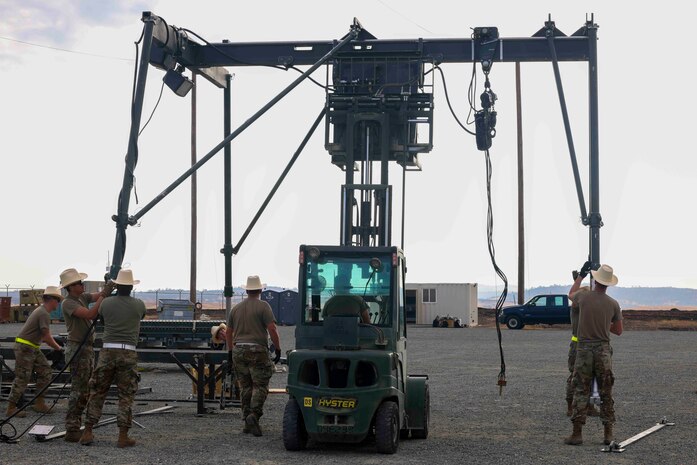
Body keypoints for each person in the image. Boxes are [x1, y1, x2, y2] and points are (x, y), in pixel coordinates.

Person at [80, 269, 146, 448]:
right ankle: (123, 436)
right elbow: (141, 316)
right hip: (128, 352)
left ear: (117, 285)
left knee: (98, 391)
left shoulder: (106, 303)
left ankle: (87, 431)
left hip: (107, 351)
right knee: (126, 395)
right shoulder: (139, 305)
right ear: (132, 287)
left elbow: (100, 318)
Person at [565, 263, 623, 446]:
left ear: (595, 279)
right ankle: (608, 434)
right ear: (608, 283)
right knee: (605, 391)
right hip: (603, 351)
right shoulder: (613, 304)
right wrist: (604, 324)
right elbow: (619, 330)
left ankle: (577, 434)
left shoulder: (583, 296)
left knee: (581, 390)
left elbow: (570, 295)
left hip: (583, 350)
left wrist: (580, 277)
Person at [59, 268, 113, 442]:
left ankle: (75, 427)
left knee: (84, 389)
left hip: (85, 349)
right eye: (78, 283)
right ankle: (72, 428)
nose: (82, 285)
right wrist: (105, 293)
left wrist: (106, 288)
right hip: (77, 349)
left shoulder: (81, 297)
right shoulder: (68, 303)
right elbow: (91, 313)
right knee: (79, 390)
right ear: (70, 287)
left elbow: (96, 297)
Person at [225, 275, 281, 437]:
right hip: (258, 350)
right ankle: (253, 416)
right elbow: (272, 329)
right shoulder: (264, 307)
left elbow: (228, 332)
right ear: (260, 290)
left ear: (247, 290)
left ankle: (246, 421)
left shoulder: (236, 308)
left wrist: (230, 352)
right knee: (260, 385)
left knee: (246, 386)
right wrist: (277, 349)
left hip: (239, 351)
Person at [5, 286, 64, 418]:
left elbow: (43, 336)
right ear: (52, 300)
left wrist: (55, 345)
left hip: (31, 347)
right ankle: (11, 408)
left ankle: (39, 402)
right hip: (25, 348)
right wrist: (58, 348)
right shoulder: (43, 313)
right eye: (58, 300)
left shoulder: (42, 311)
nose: (58, 303)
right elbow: (46, 336)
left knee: (46, 371)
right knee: (22, 377)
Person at [565, 284, 599, 417]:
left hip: (587, 345)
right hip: (578, 344)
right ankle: (571, 406)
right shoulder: (576, 308)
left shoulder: (587, 308)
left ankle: (589, 406)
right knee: (575, 377)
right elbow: (571, 295)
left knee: (590, 376)